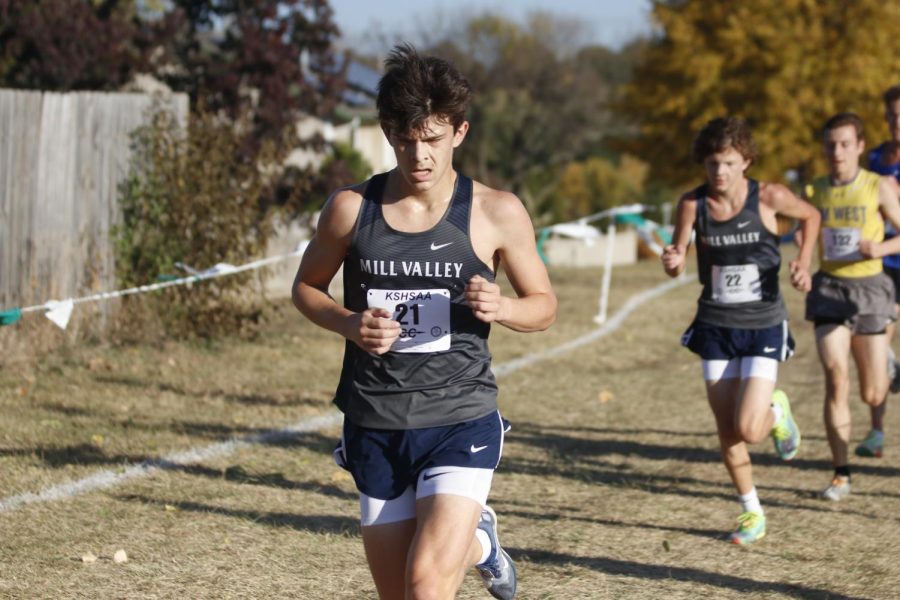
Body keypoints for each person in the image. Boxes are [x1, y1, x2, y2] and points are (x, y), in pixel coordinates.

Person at [291, 44, 556, 599]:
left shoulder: (495, 211)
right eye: (406, 138)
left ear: (459, 132)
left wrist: (503, 307)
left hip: (460, 417)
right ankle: (480, 544)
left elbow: (544, 306)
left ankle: (472, 537)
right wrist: (348, 323)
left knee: (425, 586)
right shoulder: (350, 209)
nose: (420, 156)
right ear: (388, 132)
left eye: (433, 138)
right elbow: (306, 288)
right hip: (377, 420)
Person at [662, 117, 819, 544]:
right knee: (727, 429)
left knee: (750, 427)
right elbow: (678, 254)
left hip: (763, 323)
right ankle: (752, 511)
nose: (720, 172)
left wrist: (803, 261)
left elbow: (811, 215)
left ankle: (777, 413)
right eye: (713, 163)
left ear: (746, 161)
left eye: (729, 163)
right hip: (715, 325)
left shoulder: (768, 196)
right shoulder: (692, 205)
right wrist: (673, 260)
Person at [804, 112, 900, 501]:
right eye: (830, 144)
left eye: (845, 144)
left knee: (873, 393)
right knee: (835, 375)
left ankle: (887, 367)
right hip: (830, 289)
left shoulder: (878, 186)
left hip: (872, 289)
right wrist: (801, 258)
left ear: (860, 146)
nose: (837, 152)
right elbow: (802, 233)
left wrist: (881, 247)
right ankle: (840, 473)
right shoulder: (814, 190)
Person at [857, 85, 900, 458]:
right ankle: (876, 431)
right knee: (877, 347)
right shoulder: (874, 159)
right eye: (891, 115)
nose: (897, 122)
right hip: (882, 266)